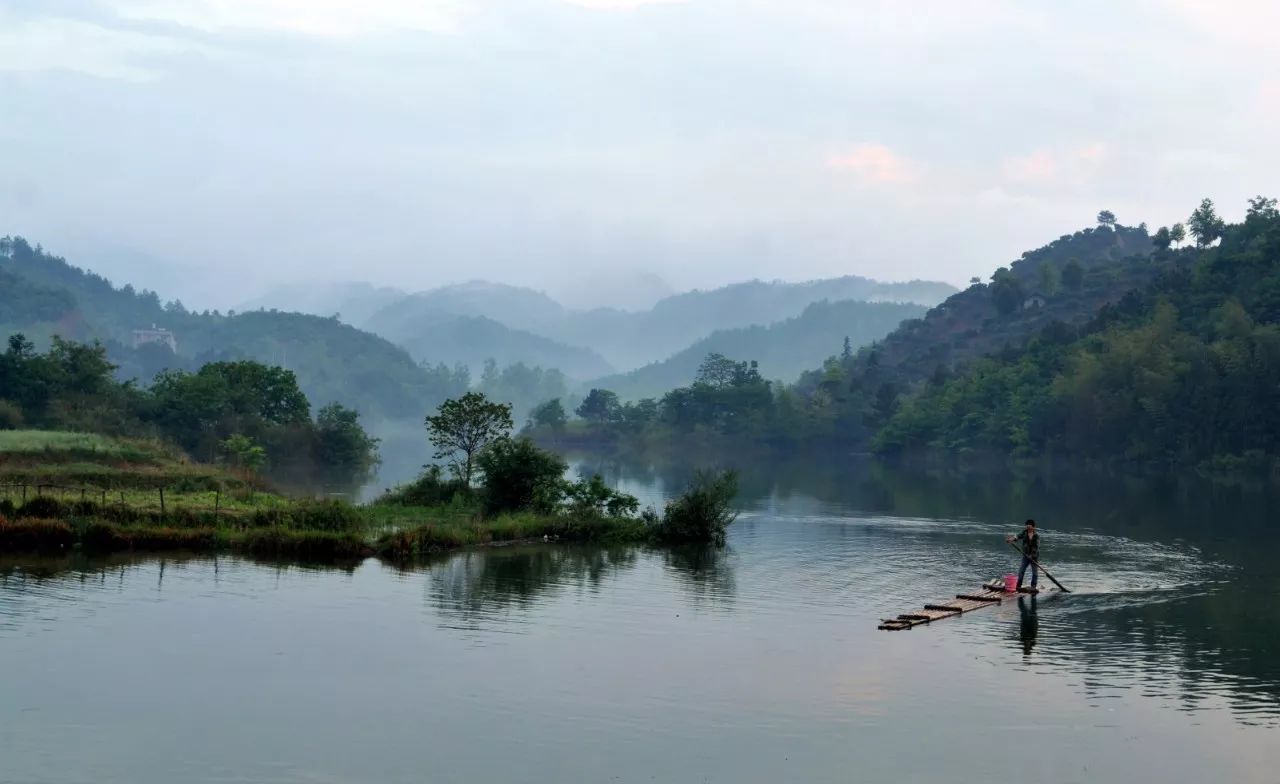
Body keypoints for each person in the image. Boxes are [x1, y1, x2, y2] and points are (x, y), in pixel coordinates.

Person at [1005, 519, 1039, 591]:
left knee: (1034, 572)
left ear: (1033, 527)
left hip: (1034, 557)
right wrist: (1011, 539)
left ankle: (1033, 587)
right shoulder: (1024, 533)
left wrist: (1032, 556)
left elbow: (1036, 547)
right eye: (1027, 527)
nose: (1028, 528)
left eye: (1029, 527)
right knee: (1021, 570)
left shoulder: (1036, 536)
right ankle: (1018, 586)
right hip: (1025, 555)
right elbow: (1017, 536)